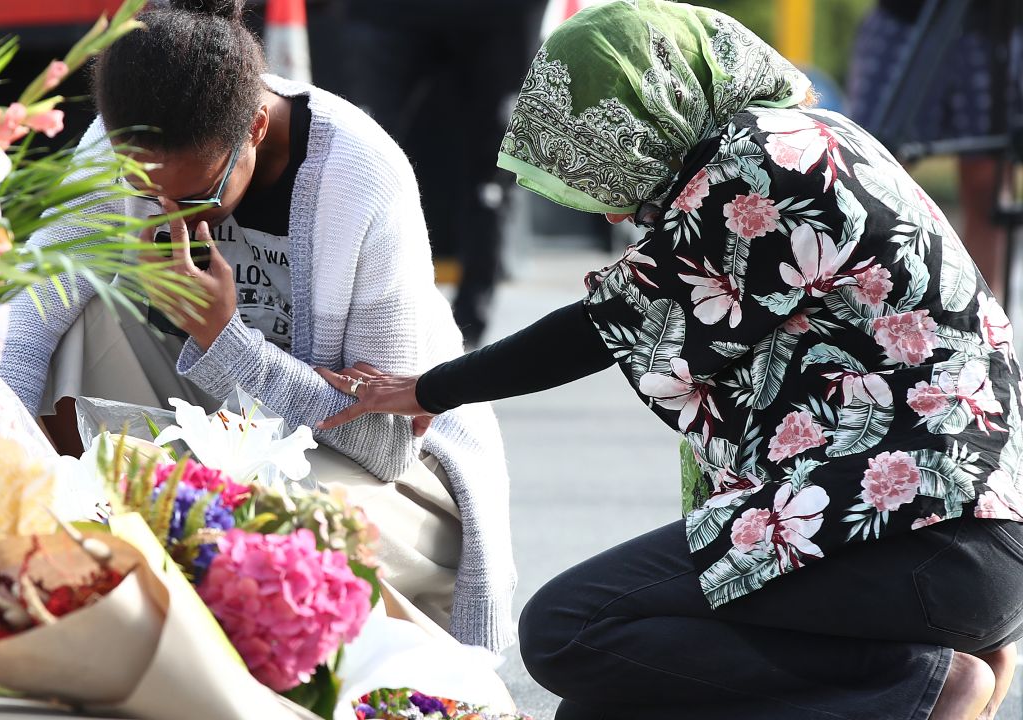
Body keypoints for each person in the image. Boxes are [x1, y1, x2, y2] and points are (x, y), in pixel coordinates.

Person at [316, 2, 1023, 717]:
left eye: (603, 158)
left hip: (924, 529)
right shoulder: (804, 138)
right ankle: (912, 675)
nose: (612, 212)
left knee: (570, 629)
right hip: (937, 535)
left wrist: (427, 389)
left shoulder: (766, 163)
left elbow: (602, 326)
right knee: (606, 697)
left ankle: (918, 686)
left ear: (653, 111)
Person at [0, 0, 516, 652]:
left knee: (246, 525)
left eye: (197, 197)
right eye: (147, 192)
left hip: (388, 488)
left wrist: (225, 340)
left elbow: (387, 447)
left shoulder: (359, 174)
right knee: (80, 304)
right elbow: (27, 314)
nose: (173, 215)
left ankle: (147, 497)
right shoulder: (125, 136)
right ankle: (143, 499)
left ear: (257, 128)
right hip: (226, 436)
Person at [340, 0, 547, 348]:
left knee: (493, 171)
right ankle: (354, 309)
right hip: (392, 13)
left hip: (500, 16)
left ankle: (467, 329)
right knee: (365, 151)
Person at [848, 0, 1010, 297]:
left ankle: (983, 319)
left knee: (987, 187)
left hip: (994, 28)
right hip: (907, 20)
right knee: (865, 174)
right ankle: (857, 304)